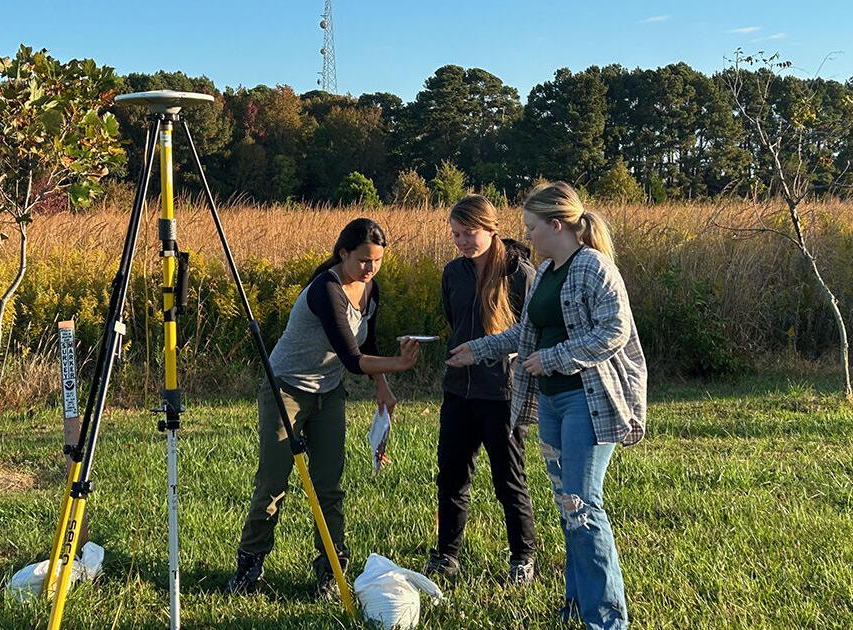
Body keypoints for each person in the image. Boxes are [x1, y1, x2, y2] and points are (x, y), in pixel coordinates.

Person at [448, 182, 647, 629]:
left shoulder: (594, 268)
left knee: (583, 505)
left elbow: (613, 331)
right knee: (567, 506)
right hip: (554, 406)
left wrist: (554, 358)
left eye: (532, 227)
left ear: (557, 225)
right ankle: (576, 605)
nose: (527, 235)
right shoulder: (548, 271)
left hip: (588, 402)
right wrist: (478, 349)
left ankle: (606, 619)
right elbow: (526, 334)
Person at [226, 217, 421, 597]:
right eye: (364, 260)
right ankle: (249, 568)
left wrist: (383, 385)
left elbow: (369, 343)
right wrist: (398, 364)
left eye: (378, 261)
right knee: (273, 484)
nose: (371, 269)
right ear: (343, 253)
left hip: (329, 393)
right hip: (287, 390)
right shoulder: (326, 290)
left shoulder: (370, 289)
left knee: (329, 485)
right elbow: (351, 358)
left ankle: (331, 571)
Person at [426, 194, 538, 585]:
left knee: (508, 480)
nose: (461, 241)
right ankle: (446, 555)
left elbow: (531, 333)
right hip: (458, 392)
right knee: (452, 477)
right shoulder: (452, 273)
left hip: (502, 394)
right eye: (455, 234)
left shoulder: (519, 273)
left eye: (468, 233)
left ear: (491, 228)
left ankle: (523, 558)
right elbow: (453, 319)